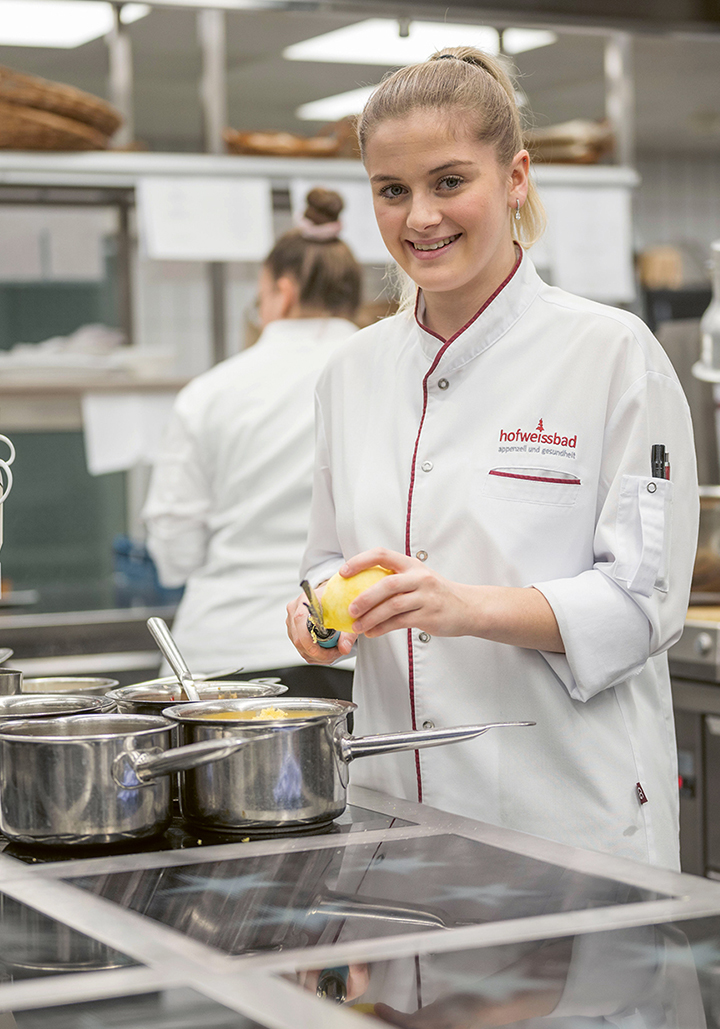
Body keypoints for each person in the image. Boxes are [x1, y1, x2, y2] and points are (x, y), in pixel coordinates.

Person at [286, 47, 699, 868]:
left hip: (568, 816)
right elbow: (328, 559)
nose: (420, 218)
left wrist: (465, 608)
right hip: (393, 819)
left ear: (514, 177)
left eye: (448, 182)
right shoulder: (351, 372)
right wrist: (314, 617)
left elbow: (643, 604)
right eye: (392, 190)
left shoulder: (611, 352)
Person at [144, 188, 360, 697]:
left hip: (221, 655)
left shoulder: (212, 391)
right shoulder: (392, 377)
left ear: (281, 293)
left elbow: (174, 551)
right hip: (349, 652)